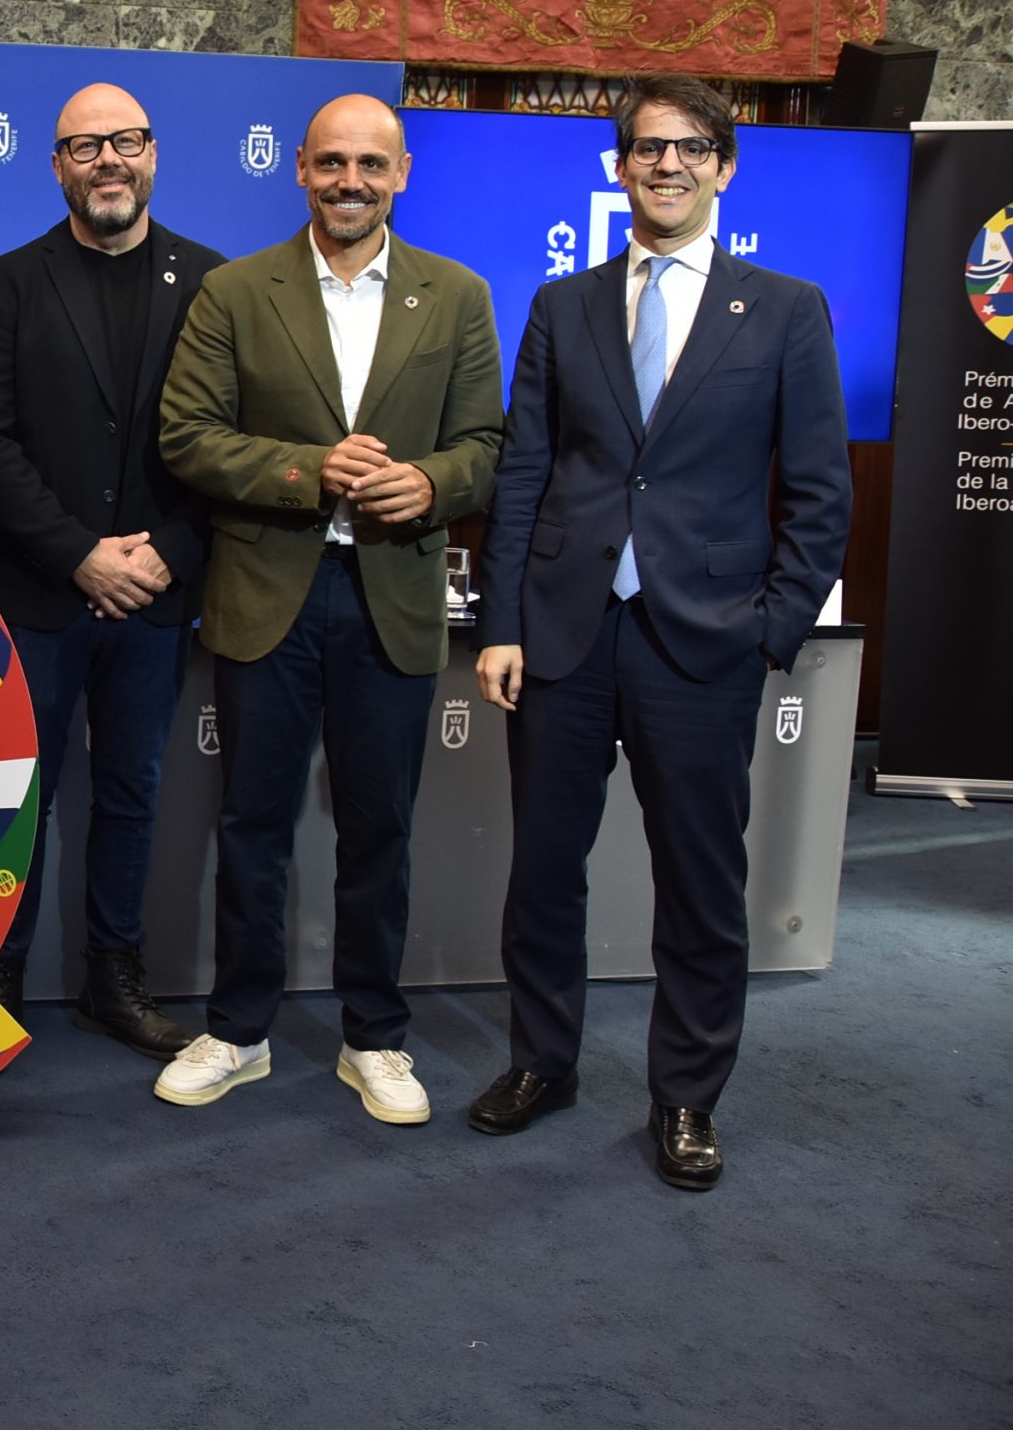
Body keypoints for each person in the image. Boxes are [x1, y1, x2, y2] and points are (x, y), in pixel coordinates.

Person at [469, 75, 849, 1189]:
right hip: (563, 636)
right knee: (544, 872)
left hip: (705, 641)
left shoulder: (785, 309)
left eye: (689, 148)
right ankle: (542, 1062)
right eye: (646, 148)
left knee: (699, 883)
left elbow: (819, 492)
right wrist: (501, 621)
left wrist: (771, 628)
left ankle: (685, 1095)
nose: (666, 165)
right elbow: (525, 474)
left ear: (723, 166)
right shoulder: (563, 305)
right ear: (620, 166)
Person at [155, 94, 503, 1125]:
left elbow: (486, 444)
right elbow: (188, 435)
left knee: (379, 828)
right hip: (269, 593)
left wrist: (431, 483)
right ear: (300, 166)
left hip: (392, 594)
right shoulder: (233, 290)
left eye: (372, 164)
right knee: (252, 823)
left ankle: (375, 1036)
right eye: (333, 162)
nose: (352, 181)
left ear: (402, 174)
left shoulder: (458, 295)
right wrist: (311, 469)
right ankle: (238, 1028)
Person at [0, 83, 225, 1048]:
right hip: (38, 593)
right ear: (56, 165)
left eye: (125, 141)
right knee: (14, 799)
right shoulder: (6, 284)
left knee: (131, 793)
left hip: (155, 594)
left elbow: (230, 441)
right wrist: (79, 554)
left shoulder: (213, 282)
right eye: (85, 145)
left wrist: (165, 555)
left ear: (154, 154)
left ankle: (114, 976)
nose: (107, 159)